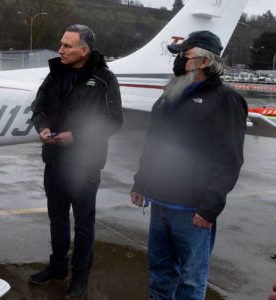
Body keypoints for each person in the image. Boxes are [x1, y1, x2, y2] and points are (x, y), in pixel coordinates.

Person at [130, 30, 248, 300]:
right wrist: (141, 181)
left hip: (192, 210)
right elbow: (153, 143)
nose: (179, 59)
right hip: (160, 202)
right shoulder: (170, 94)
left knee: (191, 280)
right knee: (160, 272)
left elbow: (229, 159)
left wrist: (209, 208)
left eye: (185, 54)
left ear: (204, 61)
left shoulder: (225, 100)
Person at [29, 24, 123, 299]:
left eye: (67, 46)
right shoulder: (55, 73)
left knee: (83, 224)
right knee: (57, 219)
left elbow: (114, 121)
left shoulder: (104, 78)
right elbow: (39, 108)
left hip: (85, 165)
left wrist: (77, 137)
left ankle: (80, 278)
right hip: (54, 161)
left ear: (85, 49)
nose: (60, 49)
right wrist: (42, 128)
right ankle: (57, 267)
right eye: (61, 44)